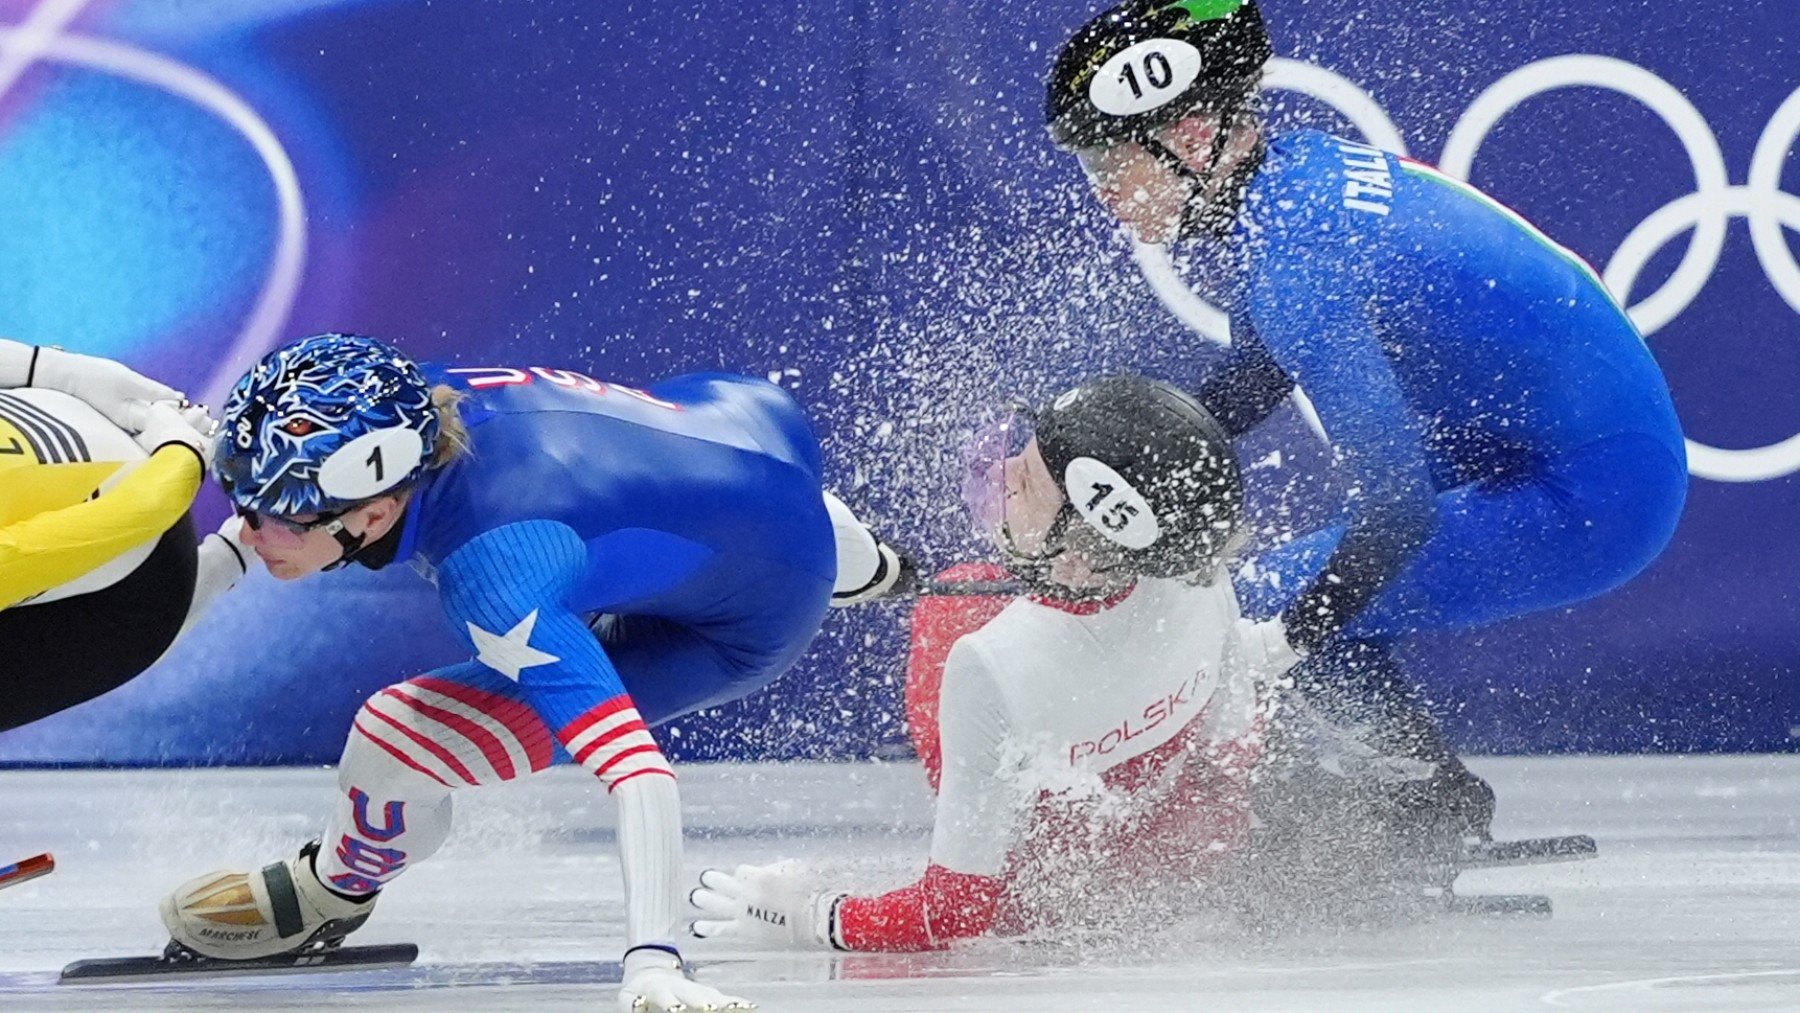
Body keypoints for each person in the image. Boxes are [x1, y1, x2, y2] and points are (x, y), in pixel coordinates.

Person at [1042, 0, 1688, 841]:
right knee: (1290, 598)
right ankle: (1407, 792)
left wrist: (1280, 643)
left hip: (1598, 487)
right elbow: (1247, 384)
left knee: (1273, 601)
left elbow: (1400, 512)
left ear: (1193, 139)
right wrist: (1103, 480)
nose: (1101, 194)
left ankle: (1424, 807)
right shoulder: (1293, 182)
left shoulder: (1295, 264)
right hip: (1571, 446)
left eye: (1106, 161)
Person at [157, 334, 903, 1013]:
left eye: (276, 517)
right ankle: (865, 558)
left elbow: (639, 774)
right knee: (741, 522)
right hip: (752, 421)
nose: (251, 527)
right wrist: (213, 567)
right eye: (242, 499)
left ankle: (333, 890)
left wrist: (653, 961)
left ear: (377, 515)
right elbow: (293, 484)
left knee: (390, 736)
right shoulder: (405, 396)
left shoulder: (496, 576)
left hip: (739, 627)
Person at [687, 375, 1300, 950]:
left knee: (953, 601)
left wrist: (808, 914)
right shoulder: (1193, 564)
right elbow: (1231, 727)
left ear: (1076, 563)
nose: (1001, 474)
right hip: (1196, 842)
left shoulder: (990, 661)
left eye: (1026, 482)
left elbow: (951, 914)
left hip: (1053, 886)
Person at [0, 338, 246, 733]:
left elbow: (142, 512)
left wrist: (52, 369)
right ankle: (231, 556)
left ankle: (225, 561)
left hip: (141, 591)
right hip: (114, 465)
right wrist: (183, 448)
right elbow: (139, 510)